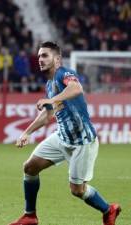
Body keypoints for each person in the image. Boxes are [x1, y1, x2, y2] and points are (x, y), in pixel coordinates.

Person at [9, 41, 121, 225]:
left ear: (57, 59)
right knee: (29, 167)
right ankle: (30, 216)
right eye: (39, 56)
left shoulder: (64, 74)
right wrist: (26, 132)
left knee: (77, 190)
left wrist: (51, 99)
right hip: (61, 138)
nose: (40, 59)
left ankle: (109, 210)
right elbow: (47, 116)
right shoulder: (49, 84)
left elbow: (76, 88)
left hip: (82, 142)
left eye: (45, 55)